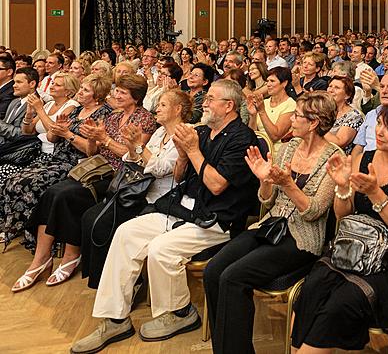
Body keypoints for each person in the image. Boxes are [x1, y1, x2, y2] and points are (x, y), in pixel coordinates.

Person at [70, 80, 260, 352]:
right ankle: (115, 319)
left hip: (217, 218)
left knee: (161, 249)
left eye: (210, 99)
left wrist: (192, 151)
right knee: (126, 233)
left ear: (228, 106)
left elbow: (217, 185)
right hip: (183, 207)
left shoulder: (242, 138)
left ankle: (181, 313)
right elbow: (181, 176)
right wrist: (183, 155)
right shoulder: (203, 132)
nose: (204, 103)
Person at [291, 102, 388, 352]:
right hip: (354, 251)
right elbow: (342, 216)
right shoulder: (363, 158)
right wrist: (343, 188)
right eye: (379, 124)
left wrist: (376, 193)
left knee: (340, 303)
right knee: (311, 289)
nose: (379, 131)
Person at [204, 93, 339, 353]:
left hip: (302, 238)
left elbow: (314, 212)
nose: (292, 119)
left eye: (297, 115)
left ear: (313, 123)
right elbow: (266, 200)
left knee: (233, 277)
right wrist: (265, 180)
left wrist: (288, 184)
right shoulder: (287, 148)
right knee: (213, 271)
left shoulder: (334, 158)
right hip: (270, 226)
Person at [15, 75, 155, 291]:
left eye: (122, 93)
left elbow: (135, 155)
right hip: (96, 166)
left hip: (120, 175)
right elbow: (93, 152)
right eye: (116, 91)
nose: (116, 95)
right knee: (52, 192)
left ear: (135, 98)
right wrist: (92, 136)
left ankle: (71, 256)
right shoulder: (113, 117)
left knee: (67, 195)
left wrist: (105, 139)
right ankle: (41, 260)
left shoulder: (144, 119)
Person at [80, 89, 192, 289]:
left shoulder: (185, 133)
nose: (157, 108)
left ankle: (125, 283)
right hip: (141, 190)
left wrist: (139, 147)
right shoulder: (159, 132)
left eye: (163, 105)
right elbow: (132, 160)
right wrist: (132, 146)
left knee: (104, 222)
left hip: (162, 199)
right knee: (90, 216)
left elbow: (160, 169)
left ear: (178, 109)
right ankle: (106, 280)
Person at [0, 74, 112, 250]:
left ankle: (35, 237)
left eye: (85, 90)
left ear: (97, 95)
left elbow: (93, 151)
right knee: (12, 180)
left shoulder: (103, 114)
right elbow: (52, 138)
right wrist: (58, 129)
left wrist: (67, 134)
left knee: (28, 184)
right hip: (56, 157)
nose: (80, 92)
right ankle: (14, 227)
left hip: (76, 163)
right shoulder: (77, 110)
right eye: (81, 88)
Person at [247, 67, 295, 154]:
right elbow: (251, 134)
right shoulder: (264, 102)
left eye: (272, 81)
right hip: (258, 151)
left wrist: (262, 112)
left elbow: (275, 136)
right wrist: (253, 115)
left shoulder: (290, 104)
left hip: (276, 153)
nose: (268, 84)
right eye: (267, 81)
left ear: (284, 83)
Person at [324, 76, 363, 154]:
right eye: (330, 86)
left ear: (347, 95)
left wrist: (315, 127)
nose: (331, 90)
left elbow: (339, 143)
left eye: (337, 88)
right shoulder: (322, 109)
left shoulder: (354, 116)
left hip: (336, 159)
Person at [0, 67, 39, 145]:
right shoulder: (14, 101)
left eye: (19, 82)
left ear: (32, 84)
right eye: (14, 82)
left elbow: (22, 134)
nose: (14, 85)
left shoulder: (37, 105)